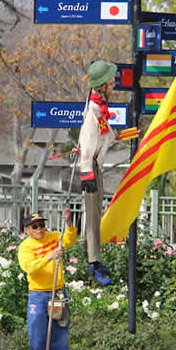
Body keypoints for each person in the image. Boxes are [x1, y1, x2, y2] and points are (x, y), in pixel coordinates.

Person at [18, 208, 77, 350]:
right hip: (38, 296)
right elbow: (29, 268)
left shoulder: (55, 237)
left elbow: (71, 239)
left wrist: (68, 222)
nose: (40, 229)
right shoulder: (25, 247)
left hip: (57, 295)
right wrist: (49, 257)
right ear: (27, 230)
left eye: (42, 225)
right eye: (35, 226)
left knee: (59, 338)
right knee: (38, 340)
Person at [78, 59, 117, 286]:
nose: (114, 85)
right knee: (92, 218)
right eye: (111, 82)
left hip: (95, 166)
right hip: (90, 167)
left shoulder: (99, 106)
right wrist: (86, 173)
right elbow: (87, 142)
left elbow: (104, 136)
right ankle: (93, 264)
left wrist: (122, 136)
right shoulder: (93, 111)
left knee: (95, 215)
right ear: (102, 85)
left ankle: (94, 258)